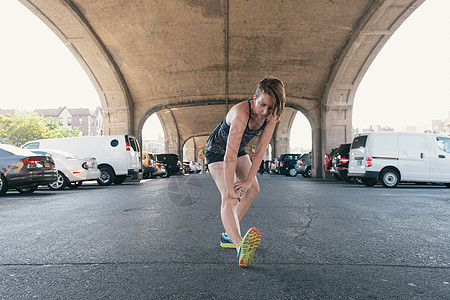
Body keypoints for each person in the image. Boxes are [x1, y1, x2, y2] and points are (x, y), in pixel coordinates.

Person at [205, 77, 286, 267]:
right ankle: (239, 246)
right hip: (217, 151)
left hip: (238, 149)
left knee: (253, 189)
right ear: (254, 98)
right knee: (229, 199)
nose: (265, 111)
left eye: (271, 108)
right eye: (262, 105)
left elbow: (259, 151)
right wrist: (230, 189)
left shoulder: (270, 117)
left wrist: (249, 181)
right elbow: (229, 156)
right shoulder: (241, 113)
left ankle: (227, 235)